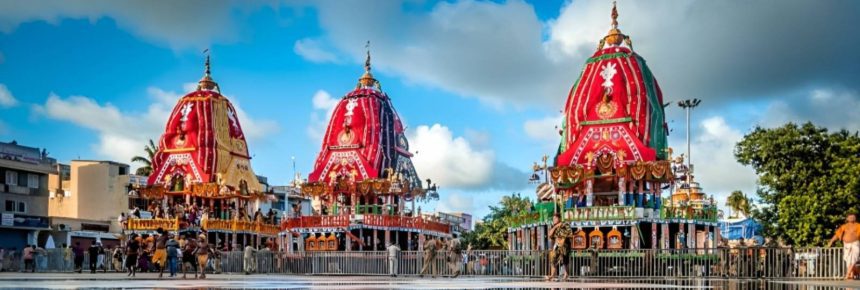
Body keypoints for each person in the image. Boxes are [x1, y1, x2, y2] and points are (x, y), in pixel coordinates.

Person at [827, 213, 860, 280]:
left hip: (855, 244)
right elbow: (837, 234)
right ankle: (852, 275)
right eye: (850, 217)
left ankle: (847, 275)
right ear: (847, 219)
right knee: (848, 261)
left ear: (855, 218)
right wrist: (831, 241)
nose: (851, 218)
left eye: (853, 217)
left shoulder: (858, 225)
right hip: (846, 245)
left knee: (853, 260)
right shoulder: (844, 226)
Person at [546, 213, 571, 281]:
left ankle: (566, 274)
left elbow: (570, 233)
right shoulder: (553, 226)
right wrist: (555, 227)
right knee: (553, 259)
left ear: (559, 218)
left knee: (565, 260)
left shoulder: (565, 224)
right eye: (553, 219)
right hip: (557, 245)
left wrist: (563, 238)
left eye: (555, 218)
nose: (554, 220)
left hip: (565, 245)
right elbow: (549, 234)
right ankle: (552, 275)